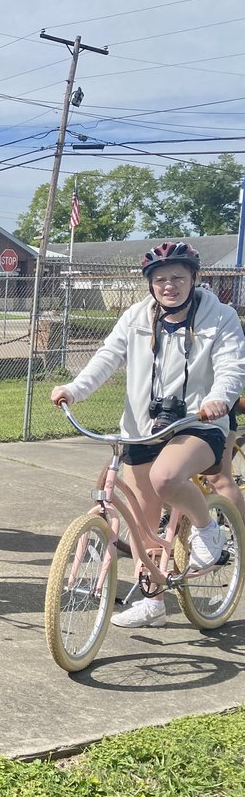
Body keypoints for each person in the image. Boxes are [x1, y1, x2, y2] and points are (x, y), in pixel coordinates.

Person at [52, 241, 245, 629]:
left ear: (194, 278)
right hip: (141, 429)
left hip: (198, 423)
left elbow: (231, 366)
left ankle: (209, 531)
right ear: (150, 284)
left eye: (177, 277)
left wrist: (220, 398)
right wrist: (74, 389)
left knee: (167, 477)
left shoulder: (220, 317)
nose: (169, 285)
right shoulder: (137, 316)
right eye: (160, 279)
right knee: (141, 526)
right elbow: (107, 357)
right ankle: (151, 601)